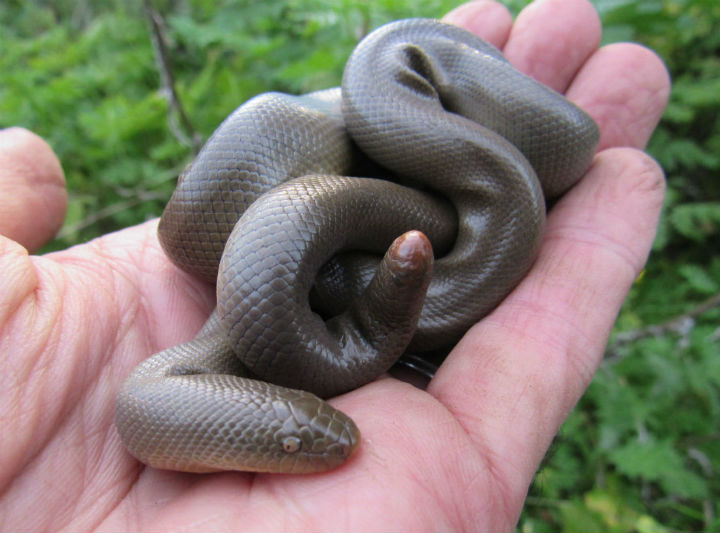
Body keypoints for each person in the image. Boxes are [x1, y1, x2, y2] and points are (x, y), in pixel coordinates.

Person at [0, 0, 669, 529]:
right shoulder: (186, 365)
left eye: (291, 430)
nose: (330, 444)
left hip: (346, 182)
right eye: (293, 441)